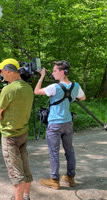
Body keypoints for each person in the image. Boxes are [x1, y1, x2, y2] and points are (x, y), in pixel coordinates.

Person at [34, 60, 86, 190]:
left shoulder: (54, 87)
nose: (53, 73)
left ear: (62, 72)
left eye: (55, 71)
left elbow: (36, 91)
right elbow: (83, 98)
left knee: (54, 153)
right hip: (68, 123)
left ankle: (54, 180)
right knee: (70, 150)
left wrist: (41, 76)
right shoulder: (76, 86)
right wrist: (72, 97)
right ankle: (70, 177)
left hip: (55, 124)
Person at [0, 58, 34, 200]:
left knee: (16, 174)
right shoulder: (28, 88)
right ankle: (26, 196)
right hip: (23, 133)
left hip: (10, 137)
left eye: (2, 71)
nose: (1, 73)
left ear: (10, 72)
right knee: (25, 168)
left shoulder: (8, 90)